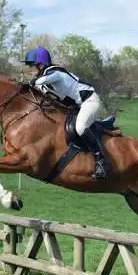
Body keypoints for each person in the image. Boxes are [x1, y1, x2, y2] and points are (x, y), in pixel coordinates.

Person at [22, 46, 110, 180]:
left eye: (32, 66)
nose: (31, 69)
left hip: (90, 101)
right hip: (77, 107)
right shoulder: (44, 78)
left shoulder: (55, 72)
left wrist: (32, 82)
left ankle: (101, 161)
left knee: (81, 127)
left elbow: (43, 81)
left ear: (41, 65)